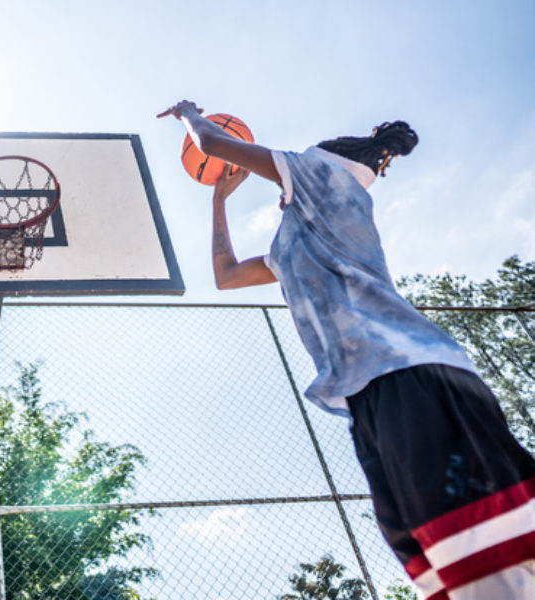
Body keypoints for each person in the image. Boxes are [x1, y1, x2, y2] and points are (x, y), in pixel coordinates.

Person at [159, 99, 535, 599]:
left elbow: (210, 143)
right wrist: (218, 200)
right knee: (446, 567)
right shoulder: (299, 238)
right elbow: (226, 276)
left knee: (490, 562)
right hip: (374, 391)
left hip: (410, 373)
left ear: (316, 162)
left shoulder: (321, 180)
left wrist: (189, 112)